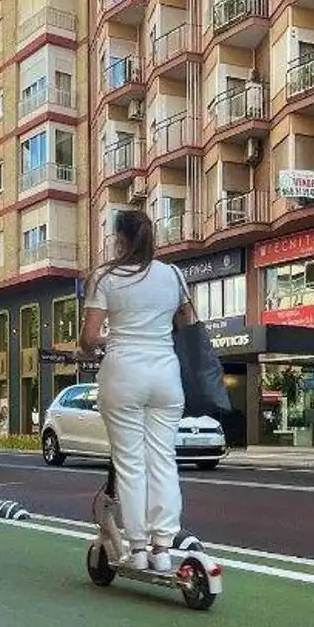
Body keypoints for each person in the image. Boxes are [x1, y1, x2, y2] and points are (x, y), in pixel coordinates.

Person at [79, 210, 187, 573]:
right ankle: (163, 548)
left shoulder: (105, 277)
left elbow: (90, 338)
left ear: (119, 239)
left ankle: (137, 548)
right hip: (166, 376)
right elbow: (187, 323)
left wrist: (95, 347)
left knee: (130, 463)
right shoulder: (173, 274)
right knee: (163, 460)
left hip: (124, 372)